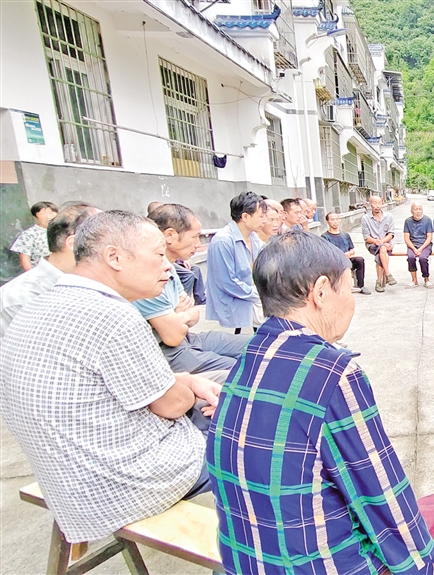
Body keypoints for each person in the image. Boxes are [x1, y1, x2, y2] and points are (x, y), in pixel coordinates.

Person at [206, 231, 434, 575]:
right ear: (321, 291)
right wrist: (433, 565)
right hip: (322, 566)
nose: (352, 300)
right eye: (349, 288)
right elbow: (381, 493)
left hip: (243, 562)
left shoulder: (247, 357)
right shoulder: (333, 373)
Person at [0, 211, 220, 544]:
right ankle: (248, 551)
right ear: (114, 257)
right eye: (159, 255)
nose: (167, 266)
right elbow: (172, 405)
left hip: (65, 482)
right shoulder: (113, 315)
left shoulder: (38, 304)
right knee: (251, 436)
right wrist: (187, 389)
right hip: (119, 486)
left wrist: (186, 382)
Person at [136, 204, 250, 382]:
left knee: (256, 346)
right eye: (195, 236)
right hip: (171, 352)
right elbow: (173, 337)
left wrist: (177, 316)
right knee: (243, 371)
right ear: (170, 235)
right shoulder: (146, 276)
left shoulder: (170, 267)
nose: (198, 244)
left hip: (190, 338)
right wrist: (180, 315)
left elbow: (193, 314)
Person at [1, 203, 99, 333]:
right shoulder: (21, 298)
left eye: (51, 212)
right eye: (45, 212)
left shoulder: (88, 285)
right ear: (73, 243)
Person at [206, 192, 266, 334]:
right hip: (234, 301)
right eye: (261, 216)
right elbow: (227, 283)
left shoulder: (253, 237)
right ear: (245, 217)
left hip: (251, 295)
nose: (264, 220)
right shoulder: (223, 241)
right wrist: (259, 294)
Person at [322, 211, 370, 294]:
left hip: (348, 259)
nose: (335, 222)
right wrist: (341, 256)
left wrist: (349, 254)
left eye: (337, 219)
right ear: (327, 222)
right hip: (335, 262)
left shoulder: (345, 235)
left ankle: (361, 286)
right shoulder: (325, 237)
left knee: (360, 260)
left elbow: (352, 249)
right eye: (332, 220)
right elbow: (326, 254)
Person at [362, 195, 397, 292]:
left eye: (379, 203)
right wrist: (377, 242)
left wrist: (382, 242)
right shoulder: (365, 218)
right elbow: (367, 237)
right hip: (372, 245)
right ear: (370, 204)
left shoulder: (389, 216)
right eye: (374, 203)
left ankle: (378, 282)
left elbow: (391, 234)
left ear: (382, 203)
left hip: (387, 243)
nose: (377, 206)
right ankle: (387, 274)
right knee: (382, 250)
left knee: (382, 251)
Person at [11, 200, 58, 270]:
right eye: (43, 214)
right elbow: (25, 260)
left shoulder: (63, 230)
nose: (48, 217)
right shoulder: (29, 234)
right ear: (36, 216)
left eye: (51, 213)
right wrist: (32, 275)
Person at [403, 202, 434, 288]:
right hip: (412, 245)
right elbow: (406, 238)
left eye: (420, 209)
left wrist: (420, 249)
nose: (418, 211)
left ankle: (426, 279)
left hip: (425, 245)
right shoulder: (408, 221)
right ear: (411, 211)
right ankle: (414, 280)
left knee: (422, 258)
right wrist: (414, 248)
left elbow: (429, 237)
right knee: (411, 257)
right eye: (416, 209)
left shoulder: (427, 220)